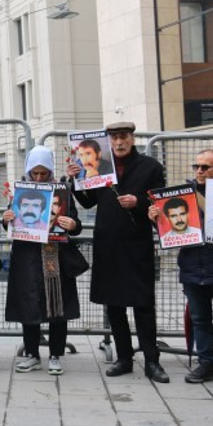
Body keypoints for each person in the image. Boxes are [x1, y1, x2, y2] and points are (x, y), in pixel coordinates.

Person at [67, 121, 169, 383]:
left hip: (137, 244)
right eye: (113, 138)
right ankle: (124, 358)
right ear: (108, 142)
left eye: (123, 137)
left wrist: (139, 202)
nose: (119, 142)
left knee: (143, 305)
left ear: (132, 138)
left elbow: (160, 201)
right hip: (108, 244)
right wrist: (75, 179)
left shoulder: (150, 167)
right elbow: (89, 201)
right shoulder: (101, 167)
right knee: (114, 306)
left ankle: (152, 361)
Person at [148, 149, 213, 387]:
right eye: (196, 166)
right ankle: (206, 364)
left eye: (205, 167)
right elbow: (170, 228)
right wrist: (156, 217)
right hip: (192, 267)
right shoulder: (182, 195)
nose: (199, 171)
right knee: (200, 320)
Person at [4, 146, 82, 375]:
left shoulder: (63, 192)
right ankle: (32, 354)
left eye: (44, 174)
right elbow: (10, 221)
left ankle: (56, 354)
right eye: (35, 174)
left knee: (57, 306)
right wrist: (6, 219)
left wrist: (73, 224)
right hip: (26, 257)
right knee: (28, 305)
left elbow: (75, 224)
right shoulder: (21, 191)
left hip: (54, 257)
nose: (39, 178)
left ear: (50, 172)